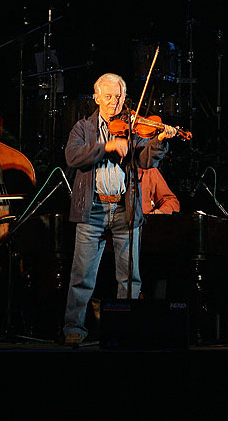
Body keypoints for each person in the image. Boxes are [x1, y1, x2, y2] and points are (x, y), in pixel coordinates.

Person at [62, 73, 177, 345]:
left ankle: (128, 328)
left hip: (125, 208)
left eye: (119, 96)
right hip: (93, 208)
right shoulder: (83, 127)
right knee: (82, 276)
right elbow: (73, 156)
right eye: (109, 96)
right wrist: (107, 146)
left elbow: (146, 160)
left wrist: (160, 140)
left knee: (129, 277)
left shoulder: (131, 127)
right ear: (97, 97)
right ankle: (74, 329)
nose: (114, 102)